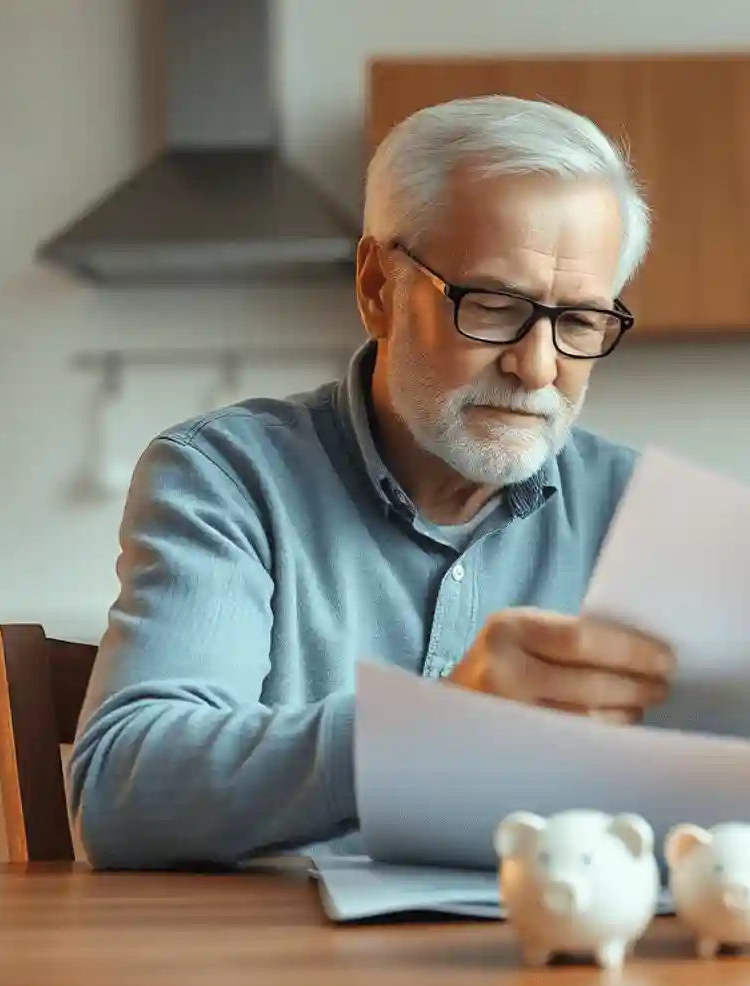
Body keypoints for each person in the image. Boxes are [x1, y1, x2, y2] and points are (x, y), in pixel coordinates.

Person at [69, 96, 680, 869]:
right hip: (275, 974)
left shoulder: (643, 513)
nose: (537, 366)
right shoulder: (228, 477)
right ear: (377, 289)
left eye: (581, 322)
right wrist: (433, 723)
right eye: (492, 305)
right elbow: (124, 791)